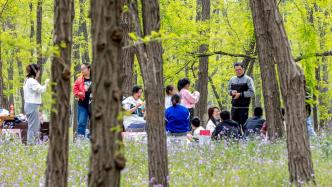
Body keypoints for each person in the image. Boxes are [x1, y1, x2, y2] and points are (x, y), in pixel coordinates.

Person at [23, 64, 49, 144]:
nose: (39, 74)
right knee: (33, 127)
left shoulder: (28, 80)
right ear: (35, 71)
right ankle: (31, 146)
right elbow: (41, 89)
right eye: (38, 72)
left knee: (34, 126)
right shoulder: (31, 81)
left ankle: (33, 144)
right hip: (32, 105)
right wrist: (46, 83)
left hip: (30, 105)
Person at [228, 62, 255, 131]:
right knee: (234, 126)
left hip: (244, 107)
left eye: (239, 69)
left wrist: (240, 94)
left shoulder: (248, 79)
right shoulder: (232, 79)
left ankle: (246, 140)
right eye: (236, 70)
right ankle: (235, 140)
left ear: (243, 69)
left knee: (244, 126)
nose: (238, 71)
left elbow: (252, 92)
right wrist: (231, 92)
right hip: (234, 107)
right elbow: (228, 91)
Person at [73, 63, 92, 137]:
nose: (82, 70)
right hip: (82, 105)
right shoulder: (79, 79)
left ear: (89, 69)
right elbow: (75, 91)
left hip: (93, 105)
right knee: (81, 123)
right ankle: (80, 141)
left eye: (84, 68)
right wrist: (81, 93)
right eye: (81, 69)